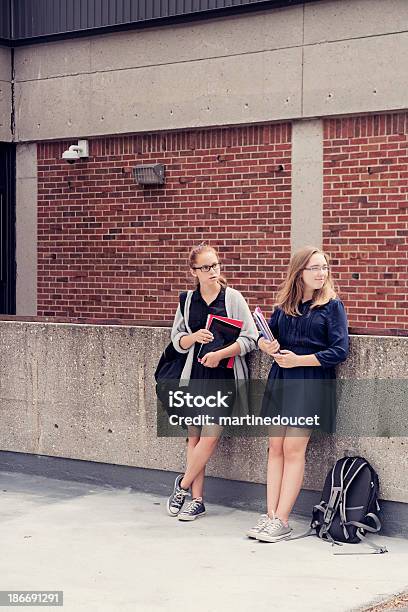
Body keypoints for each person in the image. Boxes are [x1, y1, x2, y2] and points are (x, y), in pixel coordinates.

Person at [246, 246, 349, 542]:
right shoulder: (285, 307)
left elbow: (339, 350)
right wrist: (263, 342)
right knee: (275, 448)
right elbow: (267, 336)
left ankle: (283, 519)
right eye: (314, 268)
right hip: (282, 380)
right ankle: (269, 516)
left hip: (310, 380)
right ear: (299, 273)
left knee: (293, 450)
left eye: (324, 267)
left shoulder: (332, 306)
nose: (321, 273)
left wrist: (298, 360)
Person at [166, 242, 258, 521]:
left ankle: (181, 487)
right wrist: (194, 338)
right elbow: (177, 340)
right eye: (206, 267)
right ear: (194, 271)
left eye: (215, 265)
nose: (213, 271)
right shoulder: (187, 301)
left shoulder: (233, 298)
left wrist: (220, 354)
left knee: (209, 437)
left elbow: (251, 338)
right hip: (194, 375)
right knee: (193, 438)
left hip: (224, 377)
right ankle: (197, 500)